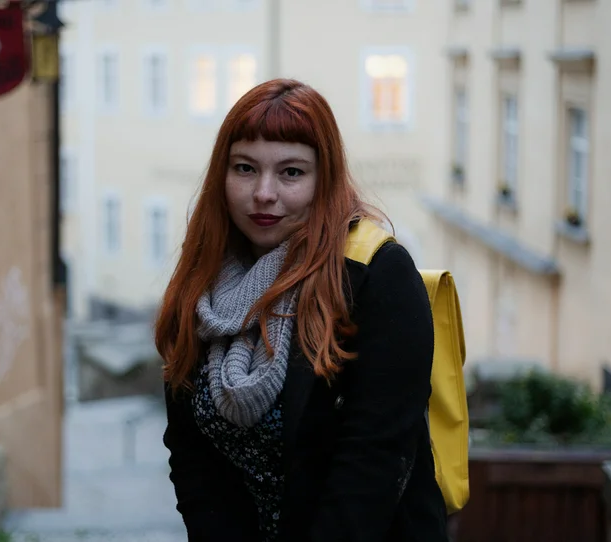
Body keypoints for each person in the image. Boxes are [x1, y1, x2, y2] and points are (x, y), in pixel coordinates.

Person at [155, 78, 448, 542]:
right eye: (245, 168)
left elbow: (374, 457)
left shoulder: (377, 275)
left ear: (323, 179)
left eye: (291, 172)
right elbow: (191, 455)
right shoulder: (203, 280)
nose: (263, 193)